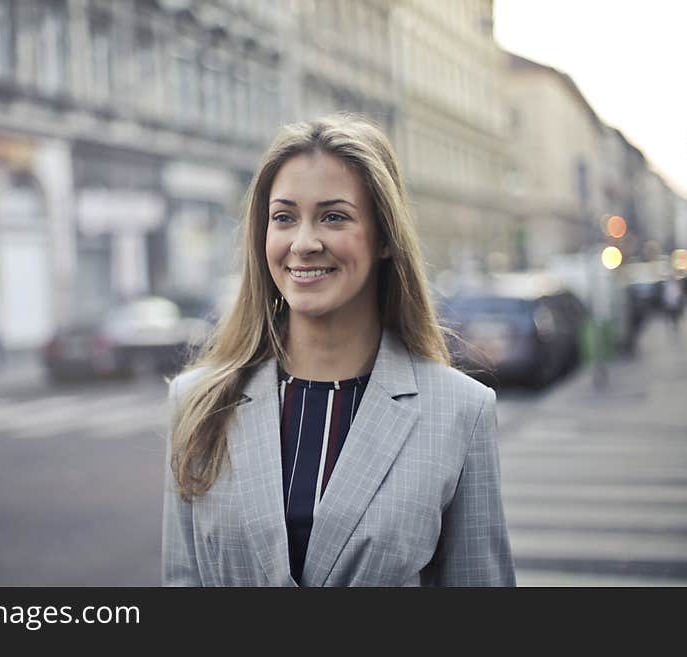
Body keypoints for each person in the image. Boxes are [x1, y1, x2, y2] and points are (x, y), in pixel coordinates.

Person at [162, 114, 515, 587]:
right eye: (284, 217)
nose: (304, 243)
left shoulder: (460, 411)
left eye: (334, 216)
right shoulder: (198, 402)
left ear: (385, 239)